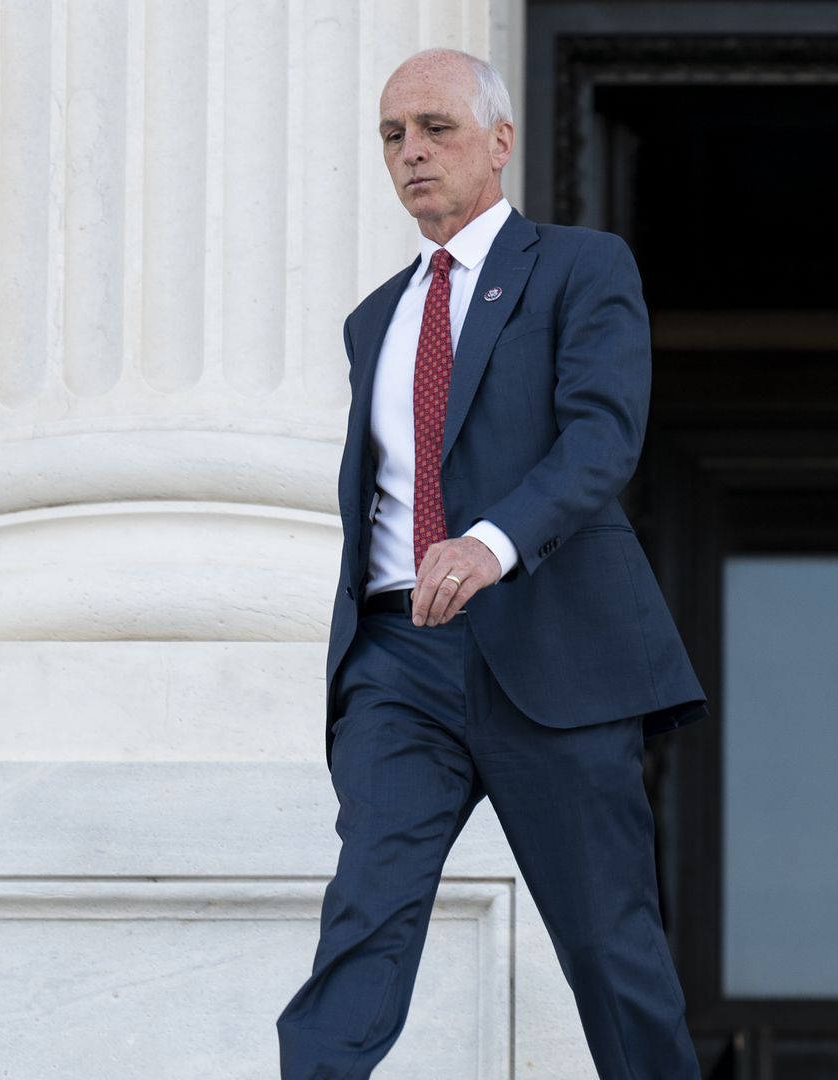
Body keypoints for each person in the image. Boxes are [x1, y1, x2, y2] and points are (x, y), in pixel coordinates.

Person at [275, 47, 708, 1080]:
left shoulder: (582, 267)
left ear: (500, 140)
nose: (412, 153)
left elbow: (602, 437)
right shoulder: (374, 320)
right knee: (364, 920)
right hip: (400, 661)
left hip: (552, 650)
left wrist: (491, 541)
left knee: (610, 949)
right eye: (393, 136)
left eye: (437, 128)